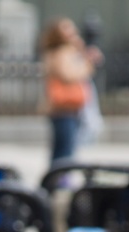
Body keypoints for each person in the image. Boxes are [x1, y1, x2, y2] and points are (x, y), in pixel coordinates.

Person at [42, 18, 98, 165]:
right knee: (64, 150)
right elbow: (69, 75)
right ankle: (58, 180)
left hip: (69, 109)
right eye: (66, 30)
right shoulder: (62, 53)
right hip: (63, 108)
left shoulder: (65, 51)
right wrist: (88, 63)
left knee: (63, 148)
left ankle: (56, 179)